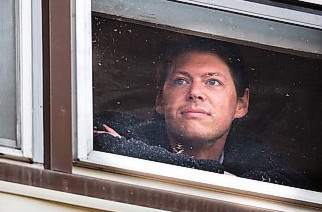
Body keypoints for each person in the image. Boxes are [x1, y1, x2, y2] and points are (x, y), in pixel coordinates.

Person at [94, 38, 310, 188]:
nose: (195, 92)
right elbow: (100, 141)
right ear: (160, 99)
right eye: (181, 81)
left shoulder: (255, 155)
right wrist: (230, 180)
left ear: (241, 104)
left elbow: (291, 187)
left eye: (212, 82)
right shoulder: (122, 128)